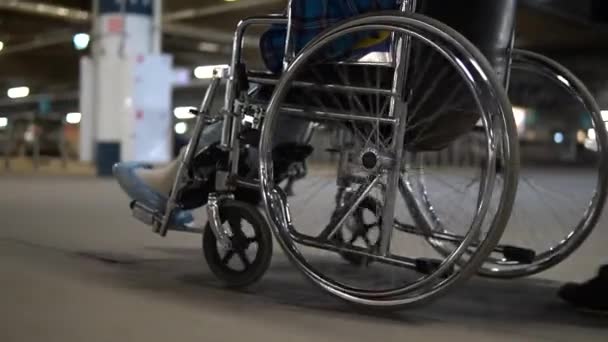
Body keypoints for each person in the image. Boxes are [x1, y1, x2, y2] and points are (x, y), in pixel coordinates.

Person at [113, 0, 401, 227]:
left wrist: (278, 42)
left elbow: (306, 39)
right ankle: (263, 168)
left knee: (277, 81)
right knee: (290, 87)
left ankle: (181, 178)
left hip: (354, 80)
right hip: (411, 87)